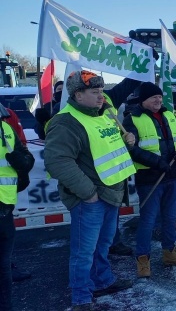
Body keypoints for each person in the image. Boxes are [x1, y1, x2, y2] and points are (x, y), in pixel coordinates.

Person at [44, 70, 136, 310]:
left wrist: (128, 139)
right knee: (83, 251)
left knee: (102, 245)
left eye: (101, 92)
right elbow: (58, 161)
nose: (101, 97)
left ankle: (102, 281)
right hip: (91, 198)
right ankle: (81, 296)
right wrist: (88, 193)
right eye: (95, 93)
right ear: (78, 95)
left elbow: (109, 143)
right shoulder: (66, 121)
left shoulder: (104, 114)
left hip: (111, 193)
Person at [122, 82, 176, 278]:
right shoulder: (132, 119)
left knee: (170, 217)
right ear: (144, 100)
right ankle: (143, 259)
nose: (158, 100)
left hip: (173, 176)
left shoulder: (170, 115)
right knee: (148, 220)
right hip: (150, 178)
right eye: (153, 97)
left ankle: (170, 252)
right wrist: (157, 163)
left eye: (159, 97)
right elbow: (132, 149)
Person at [0, 110, 35, 311]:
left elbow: (26, 158)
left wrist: (22, 162)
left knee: (4, 266)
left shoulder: (7, 129)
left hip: (4, 206)